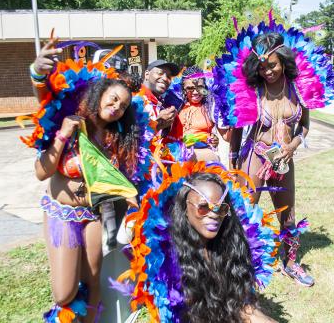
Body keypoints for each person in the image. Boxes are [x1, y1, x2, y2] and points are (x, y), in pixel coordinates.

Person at [213, 15, 334, 288]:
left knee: (288, 213)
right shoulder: (253, 90)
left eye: (272, 66)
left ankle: (291, 263)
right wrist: (234, 162)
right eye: (262, 67)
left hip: (285, 160)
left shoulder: (298, 90)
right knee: (246, 212)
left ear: (283, 61)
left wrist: (293, 146)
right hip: (254, 158)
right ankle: (236, 267)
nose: (267, 71)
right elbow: (236, 129)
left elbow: (304, 126)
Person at [27, 39, 139, 323]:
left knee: (92, 285)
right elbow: (42, 172)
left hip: (92, 215)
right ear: (100, 94)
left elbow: (121, 182)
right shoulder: (71, 120)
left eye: (123, 106)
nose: (116, 107)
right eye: (113, 99)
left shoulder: (116, 140)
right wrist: (63, 134)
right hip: (61, 213)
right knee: (64, 294)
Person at [112, 162, 280, 322]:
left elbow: (244, 307)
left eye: (221, 208)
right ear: (185, 208)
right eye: (203, 207)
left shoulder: (232, 246)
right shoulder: (167, 258)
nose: (214, 214)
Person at [169, 66, 230, 162]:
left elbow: (227, 137)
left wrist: (237, 119)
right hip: (178, 158)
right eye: (190, 88)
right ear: (183, 89)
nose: (196, 92)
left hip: (204, 158)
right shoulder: (176, 105)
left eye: (200, 87)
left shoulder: (211, 106)